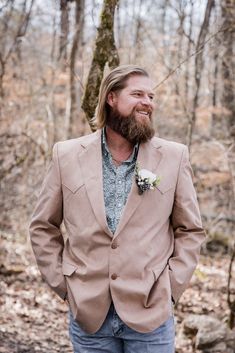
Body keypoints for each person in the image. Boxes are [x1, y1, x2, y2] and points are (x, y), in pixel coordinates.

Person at [29, 65, 205, 353]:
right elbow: (42, 226)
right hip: (88, 313)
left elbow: (191, 230)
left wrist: (171, 290)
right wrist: (64, 286)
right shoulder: (66, 155)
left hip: (151, 312)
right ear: (111, 98)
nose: (148, 102)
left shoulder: (173, 156)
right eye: (137, 94)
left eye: (151, 96)